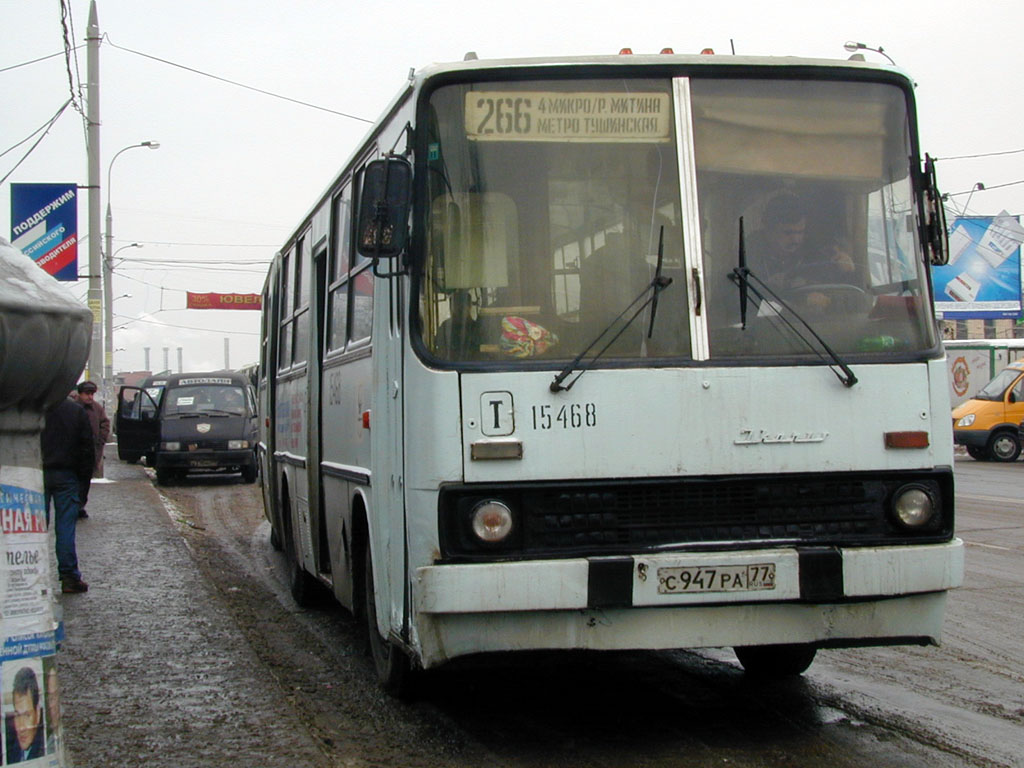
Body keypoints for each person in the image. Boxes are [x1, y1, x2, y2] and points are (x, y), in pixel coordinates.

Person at [41, 396, 94, 594]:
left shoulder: (34, 407)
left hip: (37, 474)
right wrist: (83, 486)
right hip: (67, 476)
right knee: (65, 528)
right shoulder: (75, 411)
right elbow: (87, 449)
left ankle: (33, 577)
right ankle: (69, 578)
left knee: (36, 529)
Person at [74, 380, 110, 519]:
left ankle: (81, 505)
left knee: (85, 481)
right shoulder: (74, 408)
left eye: (92, 394)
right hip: (75, 452)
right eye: (87, 394)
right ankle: (74, 505)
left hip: (91, 452)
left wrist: (100, 441)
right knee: (74, 481)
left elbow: (105, 423)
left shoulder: (97, 409)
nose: (90, 397)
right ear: (80, 394)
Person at [5, 667, 45, 762]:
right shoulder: (11, 750)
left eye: (27, 715)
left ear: (38, 714)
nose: (21, 728)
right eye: (18, 715)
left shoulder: (43, 747)